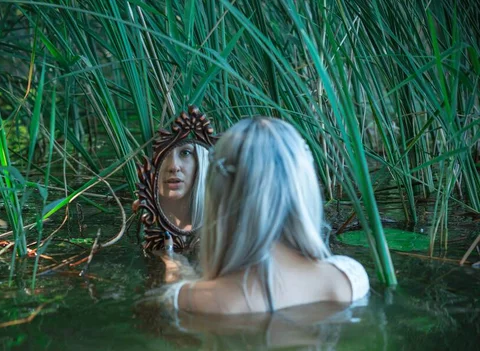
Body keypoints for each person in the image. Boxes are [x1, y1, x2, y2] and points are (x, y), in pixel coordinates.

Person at [162, 117, 369, 314]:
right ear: (304, 187)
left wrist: (175, 271)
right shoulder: (347, 281)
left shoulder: (188, 299)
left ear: (217, 195)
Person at [158, 142, 209, 231]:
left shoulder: (223, 222)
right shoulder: (145, 219)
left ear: (200, 161)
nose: (173, 166)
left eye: (185, 153)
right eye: (163, 153)